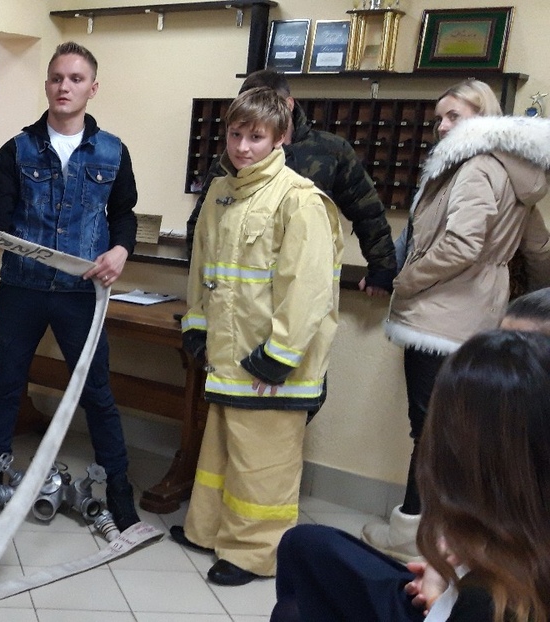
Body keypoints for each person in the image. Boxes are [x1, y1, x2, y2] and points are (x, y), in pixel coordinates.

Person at [0, 41, 142, 531]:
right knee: (6, 385)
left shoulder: (113, 151)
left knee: (96, 392)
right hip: (23, 288)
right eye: (57, 78)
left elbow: (124, 215)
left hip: (82, 294)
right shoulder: (17, 150)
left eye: (76, 79)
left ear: (92, 88)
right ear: (47, 85)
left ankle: (119, 487)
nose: (64, 87)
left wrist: (121, 250)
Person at [364, 80, 550, 559]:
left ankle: (412, 537)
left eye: (455, 117)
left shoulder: (474, 166)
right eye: (439, 119)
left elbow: (462, 244)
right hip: (479, 316)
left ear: (483, 118)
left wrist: (406, 281)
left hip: (437, 316)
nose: (443, 128)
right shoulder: (517, 174)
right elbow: (539, 250)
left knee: (429, 432)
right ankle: (451, 537)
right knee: (457, 430)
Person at [172, 86, 343, 586]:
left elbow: (308, 288)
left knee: (264, 465)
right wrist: (196, 326)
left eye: (256, 137)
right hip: (228, 356)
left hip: (274, 363)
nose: (243, 147)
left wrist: (281, 354)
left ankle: (253, 553)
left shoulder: (299, 199)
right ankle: (208, 531)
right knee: (222, 451)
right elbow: (203, 270)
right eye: (236, 135)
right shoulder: (221, 193)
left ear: (280, 137)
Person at [272, 330, 550, 622]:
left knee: (295, 606)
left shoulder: (488, 602)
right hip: (453, 593)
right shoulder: (522, 545)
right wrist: (446, 576)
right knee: (305, 545)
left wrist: (443, 592)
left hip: (453, 604)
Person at [186, 69, 397, 297]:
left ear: (288, 105)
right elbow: (202, 224)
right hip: (245, 290)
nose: (244, 145)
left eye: (256, 136)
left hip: (304, 279)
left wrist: (382, 268)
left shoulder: (330, 151)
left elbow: (367, 212)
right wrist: (203, 287)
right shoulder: (232, 159)